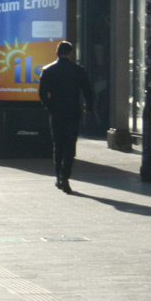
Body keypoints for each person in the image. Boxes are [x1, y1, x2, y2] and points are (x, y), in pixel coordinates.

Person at [38, 41, 94, 194]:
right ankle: (65, 175)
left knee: (58, 144)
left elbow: (42, 93)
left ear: (57, 53)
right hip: (72, 112)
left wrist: (49, 106)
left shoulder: (48, 70)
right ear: (70, 53)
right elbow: (87, 91)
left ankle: (58, 176)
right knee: (70, 145)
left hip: (56, 112)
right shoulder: (78, 70)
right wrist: (88, 107)